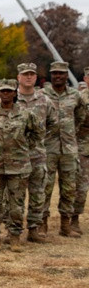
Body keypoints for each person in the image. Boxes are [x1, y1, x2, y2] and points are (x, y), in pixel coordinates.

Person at [0, 79, 42, 252]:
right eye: (3, 91)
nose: (5, 94)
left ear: (15, 93)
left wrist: (26, 148)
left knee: (16, 204)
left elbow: (38, 132)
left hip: (19, 166)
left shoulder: (25, 113)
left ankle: (15, 236)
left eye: (9, 91)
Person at [12, 63, 58, 242]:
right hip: (16, 155)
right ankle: (14, 230)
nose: (29, 77)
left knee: (39, 192)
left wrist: (41, 139)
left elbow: (54, 123)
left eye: (32, 74)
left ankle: (34, 229)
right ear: (18, 78)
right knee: (15, 195)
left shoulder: (44, 100)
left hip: (38, 154)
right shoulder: (11, 98)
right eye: (25, 74)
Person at [40, 61, 86, 238]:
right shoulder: (43, 95)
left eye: (61, 73)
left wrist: (71, 132)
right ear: (51, 75)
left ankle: (66, 224)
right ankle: (42, 223)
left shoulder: (75, 95)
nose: (58, 76)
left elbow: (81, 116)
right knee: (45, 187)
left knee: (69, 187)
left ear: (67, 75)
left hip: (69, 149)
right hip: (48, 148)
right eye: (55, 73)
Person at [72, 66, 89, 234]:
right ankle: (74, 218)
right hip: (84, 147)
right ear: (85, 79)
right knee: (81, 187)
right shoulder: (81, 98)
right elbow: (76, 123)